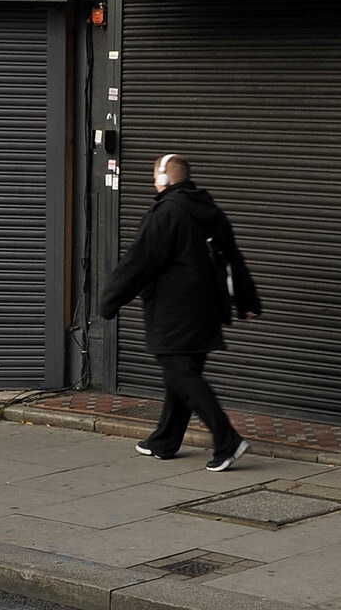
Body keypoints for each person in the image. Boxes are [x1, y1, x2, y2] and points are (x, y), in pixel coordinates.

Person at [99, 153, 260, 470]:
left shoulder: (166, 212)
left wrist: (109, 301)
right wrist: (247, 301)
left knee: (181, 373)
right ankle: (165, 440)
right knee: (182, 376)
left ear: (163, 179)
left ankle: (227, 440)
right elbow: (232, 256)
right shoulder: (208, 209)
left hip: (175, 312)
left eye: (154, 177)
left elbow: (139, 261)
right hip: (208, 310)